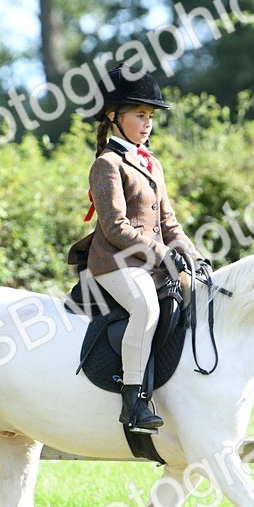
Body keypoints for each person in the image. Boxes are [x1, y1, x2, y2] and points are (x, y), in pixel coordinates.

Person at [67, 65, 204, 433]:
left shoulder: (152, 163)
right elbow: (115, 227)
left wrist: (192, 253)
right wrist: (161, 254)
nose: (147, 124)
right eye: (140, 115)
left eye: (150, 117)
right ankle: (133, 400)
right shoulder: (106, 164)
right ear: (114, 116)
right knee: (144, 307)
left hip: (150, 262)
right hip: (114, 263)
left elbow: (169, 221)